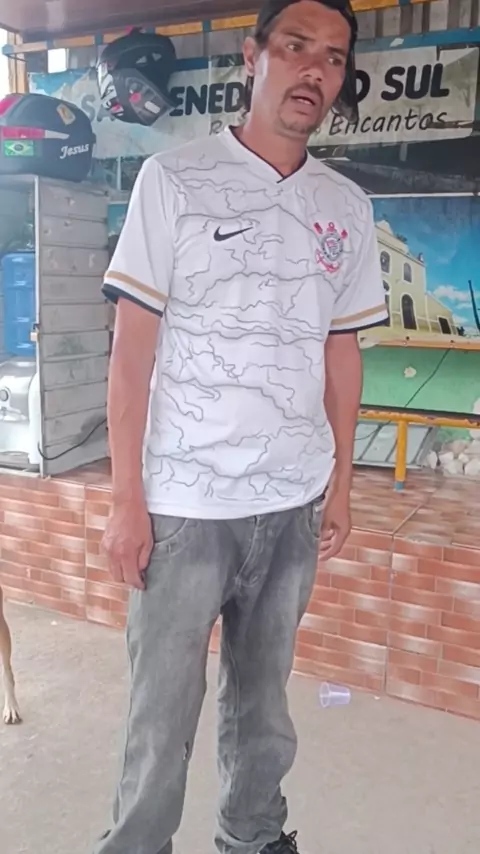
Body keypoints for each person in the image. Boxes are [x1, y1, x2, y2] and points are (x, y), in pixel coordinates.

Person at [97, 1, 387, 853]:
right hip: (185, 504)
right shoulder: (174, 181)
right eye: (296, 47)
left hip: (291, 502)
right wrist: (125, 500)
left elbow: (341, 353)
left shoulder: (346, 206)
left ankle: (255, 838)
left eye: (333, 58)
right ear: (253, 56)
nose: (314, 71)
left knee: (265, 709)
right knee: (161, 717)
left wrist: (340, 485)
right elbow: (131, 353)